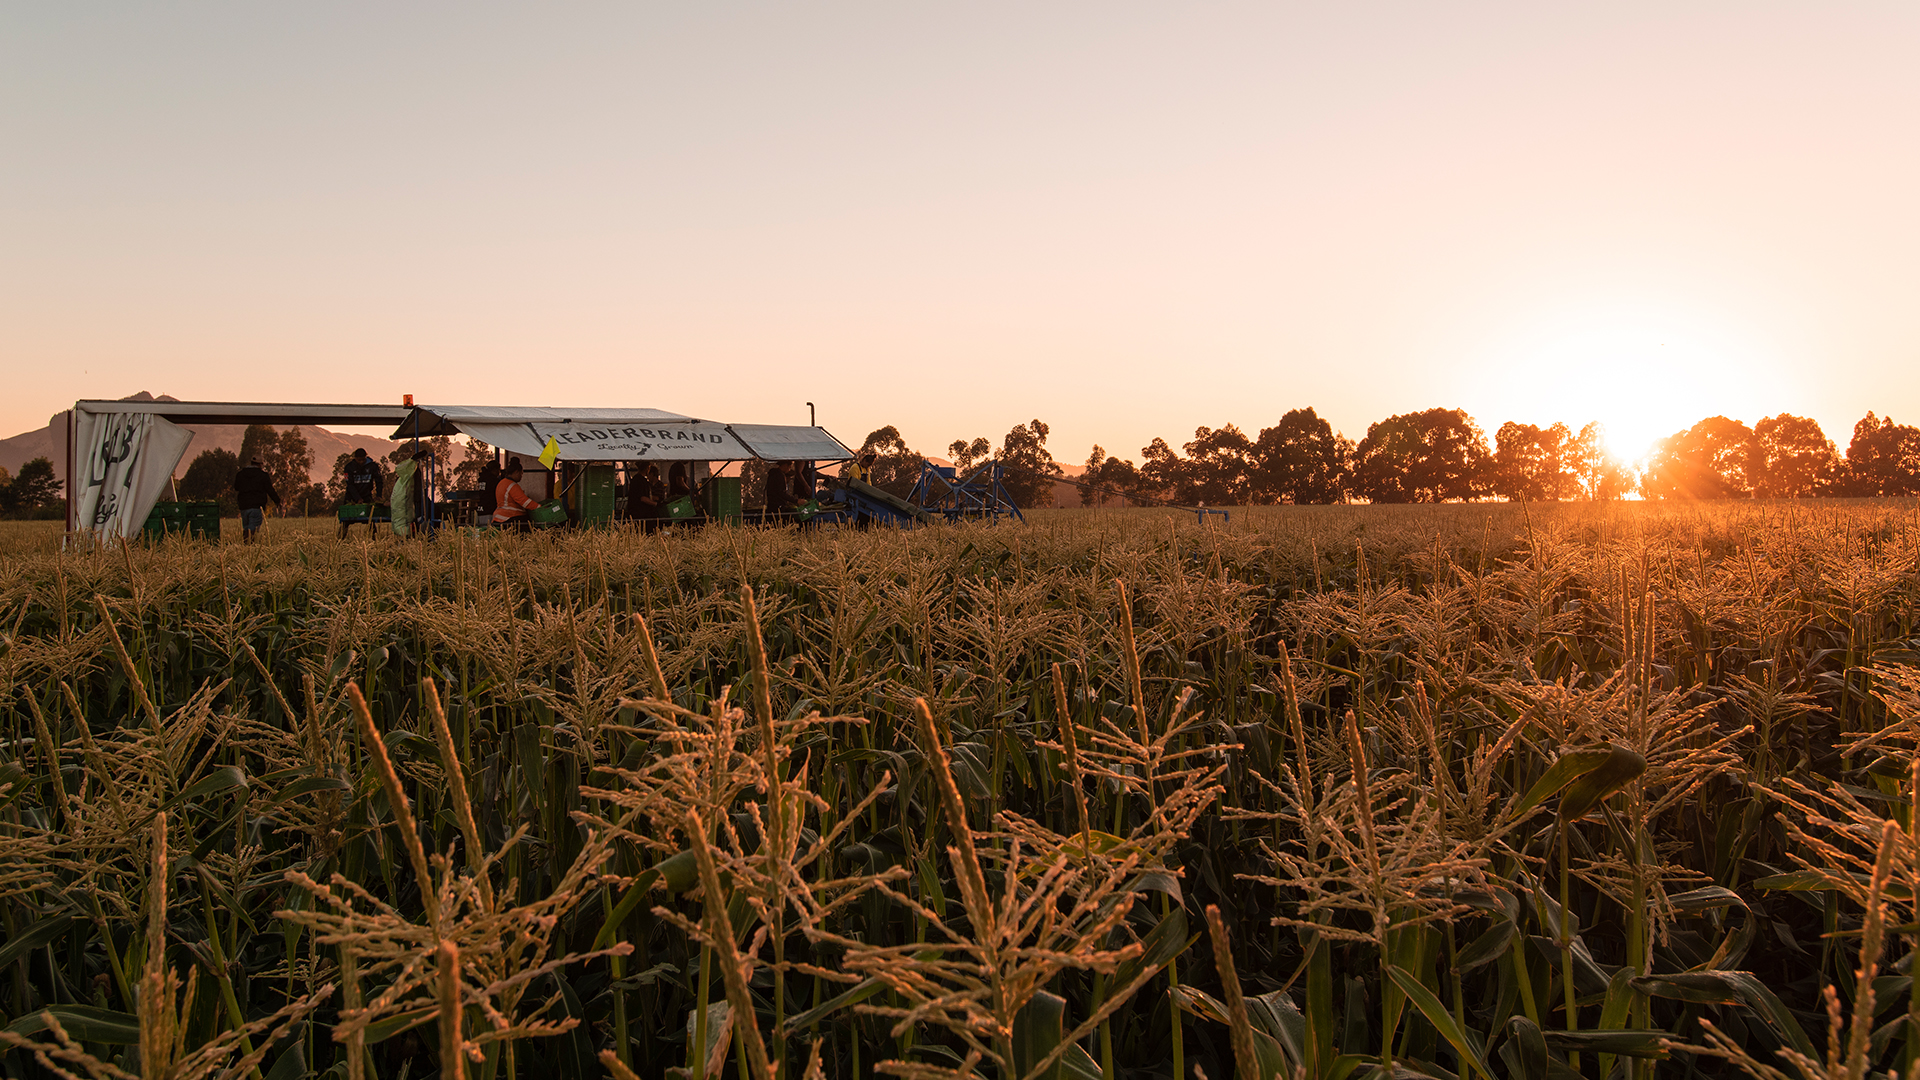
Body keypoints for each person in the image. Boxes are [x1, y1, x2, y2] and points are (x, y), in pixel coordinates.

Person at [233, 457, 282, 544]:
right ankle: (250, 546)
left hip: (244, 505)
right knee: (253, 528)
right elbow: (270, 490)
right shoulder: (263, 475)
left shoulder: (240, 474)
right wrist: (277, 501)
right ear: (260, 465)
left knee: (246, 527)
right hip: (257, 506)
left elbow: (236, 487)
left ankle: (245, 546)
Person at [339, 449, 382, 539]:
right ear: (355, 458)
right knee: (345, 521)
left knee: (370, 520)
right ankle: (339, 541)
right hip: (351, 497)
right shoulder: (349, 467)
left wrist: (378, 495)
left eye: (363, 459)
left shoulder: (372, 466)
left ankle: (375, 540)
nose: (361, 462)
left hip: (366, 496)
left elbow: (379, 481)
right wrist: (357, 498)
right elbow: (349, 485)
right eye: (359, 460)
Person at [491, 458, 539, 530]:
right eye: (521, 474)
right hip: (511, 518)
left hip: (499, 517)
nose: (521, 477)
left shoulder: (501, 483)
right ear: (516, 472)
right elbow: (525, 502)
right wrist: (539, 507)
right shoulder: (512, 485)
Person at [626, 462, 664, 529]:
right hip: (641, 514)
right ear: (647, 468)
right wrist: (655, 504)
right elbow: (643, 498)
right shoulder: (641, 481)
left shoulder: (635, 479)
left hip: (635, 513)